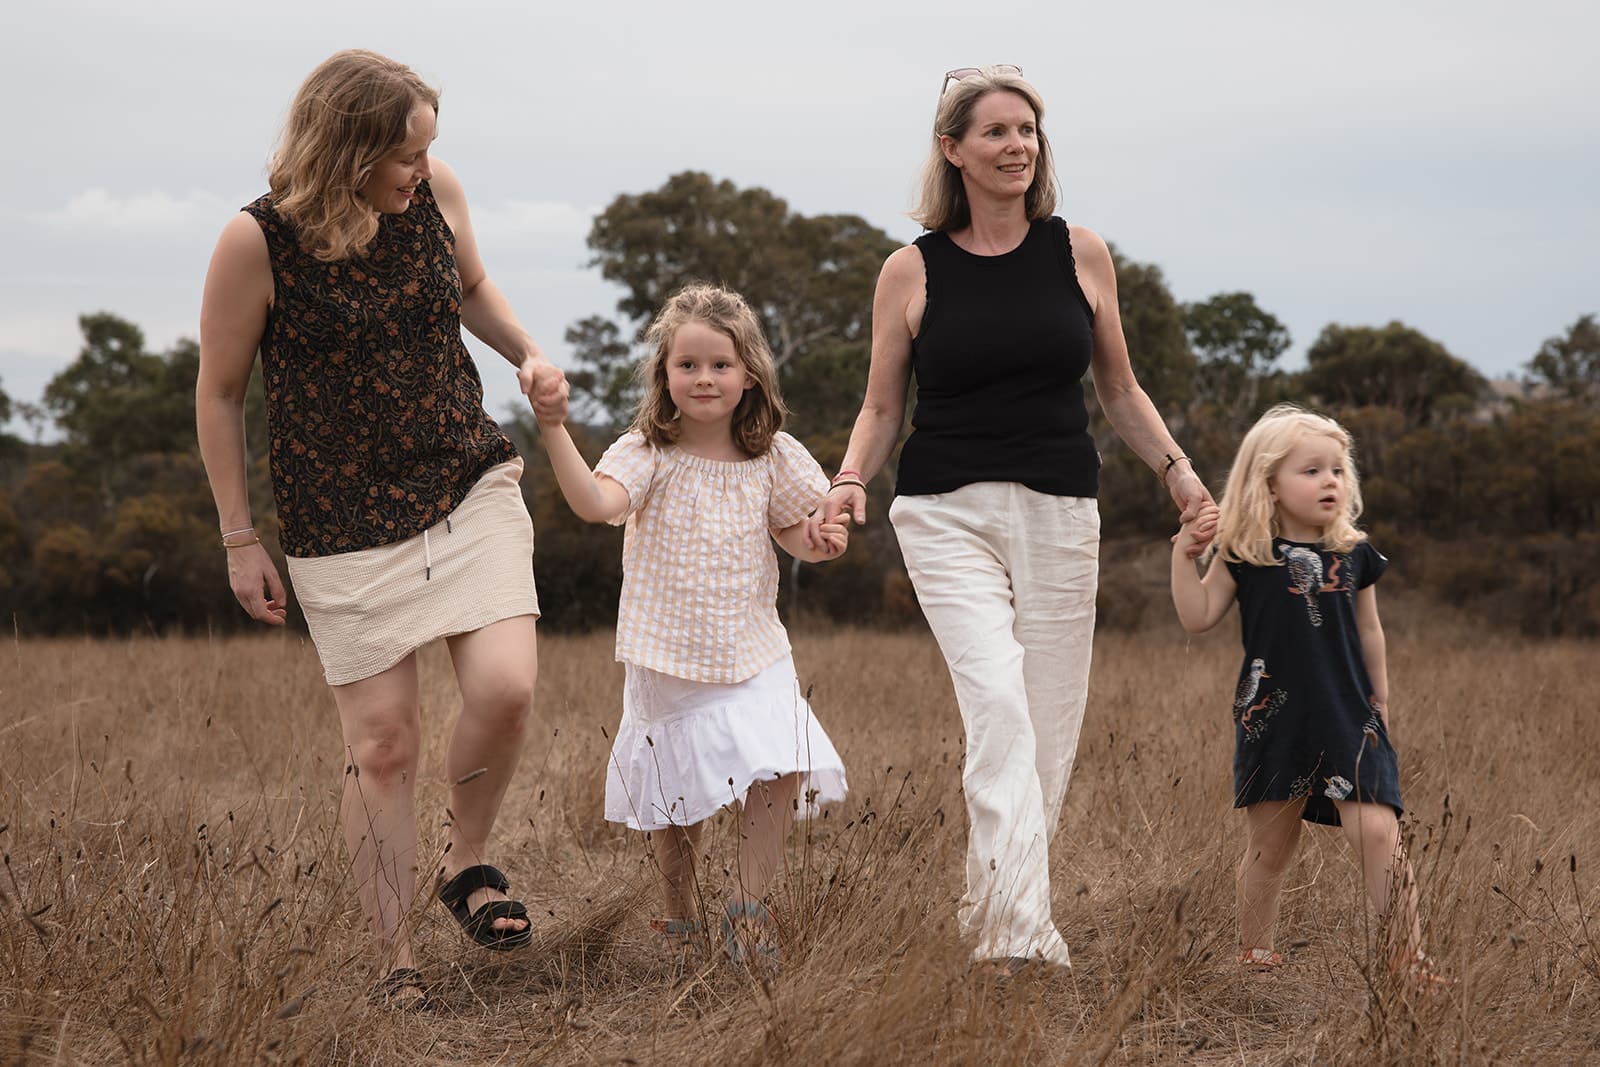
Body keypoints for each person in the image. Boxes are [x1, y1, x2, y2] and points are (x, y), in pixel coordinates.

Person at [195, 49, 569, 1008]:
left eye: (427, 151)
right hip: (341, 516)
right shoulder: (257, 243)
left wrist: (527, 354)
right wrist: (241, 537)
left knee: (507, 687)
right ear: (348, 147)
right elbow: (222, 390)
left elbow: (474, 288)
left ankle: (468, 864)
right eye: (405, 153)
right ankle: (391, 955)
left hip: (464, 474)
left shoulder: (434, 192)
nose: (422, 169)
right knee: (385, 746)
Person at [819, 65, 1214, 973]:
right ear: (953, 149)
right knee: (997, 703)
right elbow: (884, 407)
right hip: (943, 510)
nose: (1017, 147)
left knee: (1048, 721)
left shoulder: (1080, 253)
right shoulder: (910, 268)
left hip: (1061, 509)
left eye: (1028, 131)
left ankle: (988, 900)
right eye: (996, 132)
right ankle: (1017, 941)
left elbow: (1117, 386)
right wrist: (848, 479)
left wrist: (1181, 476)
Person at [537, 283, 850, 969]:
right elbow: (594, 502)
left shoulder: (773, 453)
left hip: (754, 645)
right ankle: (679, 914)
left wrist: (821, 540)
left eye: (720, 364)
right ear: (665, 374)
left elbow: (798, 530)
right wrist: (554, 426)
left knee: (786, 757)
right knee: (681, 800)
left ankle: (747, 906)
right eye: (688, 365)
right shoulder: (647, 449)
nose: (704, 378)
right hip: (668, 653)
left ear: (749, 375)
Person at [1170, 404, 1442, 986]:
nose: (1331, 482)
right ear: (1268, 482)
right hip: (1274, 721)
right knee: (1272, 844)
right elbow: (1197, 617)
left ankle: (1409, 963)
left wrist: (1382, 699)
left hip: (1350, 713)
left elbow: (1370, 630)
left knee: (1378, 830)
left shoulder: (1354, 553)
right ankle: (1256, 956)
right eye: (1312, 471)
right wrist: (1182, 557)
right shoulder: (1245, 555)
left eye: (1339, 471)